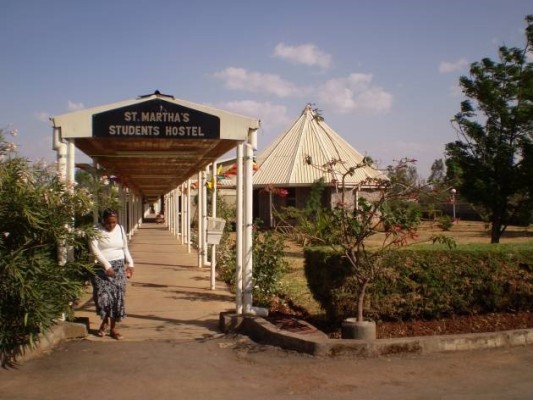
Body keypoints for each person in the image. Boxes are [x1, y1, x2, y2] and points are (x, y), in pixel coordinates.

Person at [89, 208, 134, 340]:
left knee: (116, 297)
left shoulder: (120, 229)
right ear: (103, 221)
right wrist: (106, 266)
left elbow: (125, 247)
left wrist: (131, 263)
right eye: (108, 223)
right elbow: (94, 249)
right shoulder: (95, 230)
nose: (111, 225)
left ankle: (113, 328)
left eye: (114, 222)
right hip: (100, 267)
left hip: (118, 266)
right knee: (102, 297)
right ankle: (104, 321)